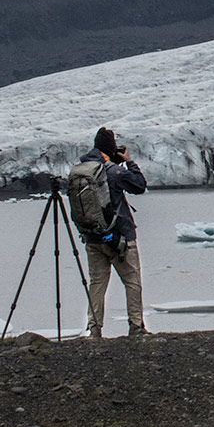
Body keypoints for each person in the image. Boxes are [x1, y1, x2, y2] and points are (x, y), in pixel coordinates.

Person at [75, 126, 148, 339]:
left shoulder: (81, 171)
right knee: (132, 281)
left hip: (93, 237)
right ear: (111, 148)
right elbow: (139, 186)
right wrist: (128, 162)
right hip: (120, 237)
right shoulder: (115, 172)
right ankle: (136, 327)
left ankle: (94, 328)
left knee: (97, 283)